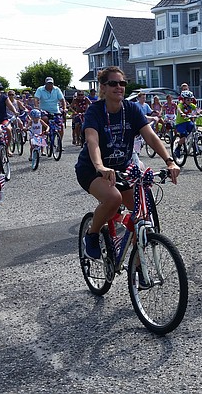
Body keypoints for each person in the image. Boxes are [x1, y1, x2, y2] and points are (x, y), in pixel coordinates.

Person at [77, 66, 179, 260]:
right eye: (113, 83)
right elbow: (92, 141)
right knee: (113, 199)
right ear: (103, 87)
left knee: (141, 213)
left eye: (122, 83)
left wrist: (169, 161)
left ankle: (138, 268)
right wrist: (100, 166)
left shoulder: (131, 109)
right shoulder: (95, 111)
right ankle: (91, 235)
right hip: (92, 169)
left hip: (122, 169)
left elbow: (151, 137)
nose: (119, 87)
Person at [173, 90, 202, 159]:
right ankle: (177, 149)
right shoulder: (181, 105)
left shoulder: (191, 105)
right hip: (180, 123)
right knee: (183, 136)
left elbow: (198, 109)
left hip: (188, 122)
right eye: (188, 99)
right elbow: (179, 109)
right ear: (184, 99)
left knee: (194, 130)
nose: (189, 101)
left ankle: (195, 145)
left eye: (190, 99)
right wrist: (182, 113)